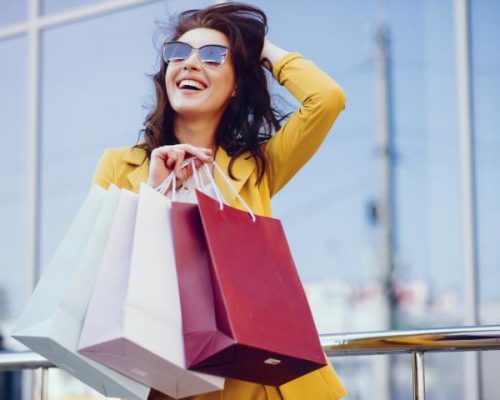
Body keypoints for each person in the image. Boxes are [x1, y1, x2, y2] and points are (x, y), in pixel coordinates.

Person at [92, 2, 347, 399]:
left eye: (213, 56)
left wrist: (257, 48)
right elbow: (102, 277)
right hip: (181, 388)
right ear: (167, 75)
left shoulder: (256, 167)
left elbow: (326, 99)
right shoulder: (120, 166)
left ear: (234, 86)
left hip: (271, 386)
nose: (191, 63)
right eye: (179, 53)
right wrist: (156, 194)